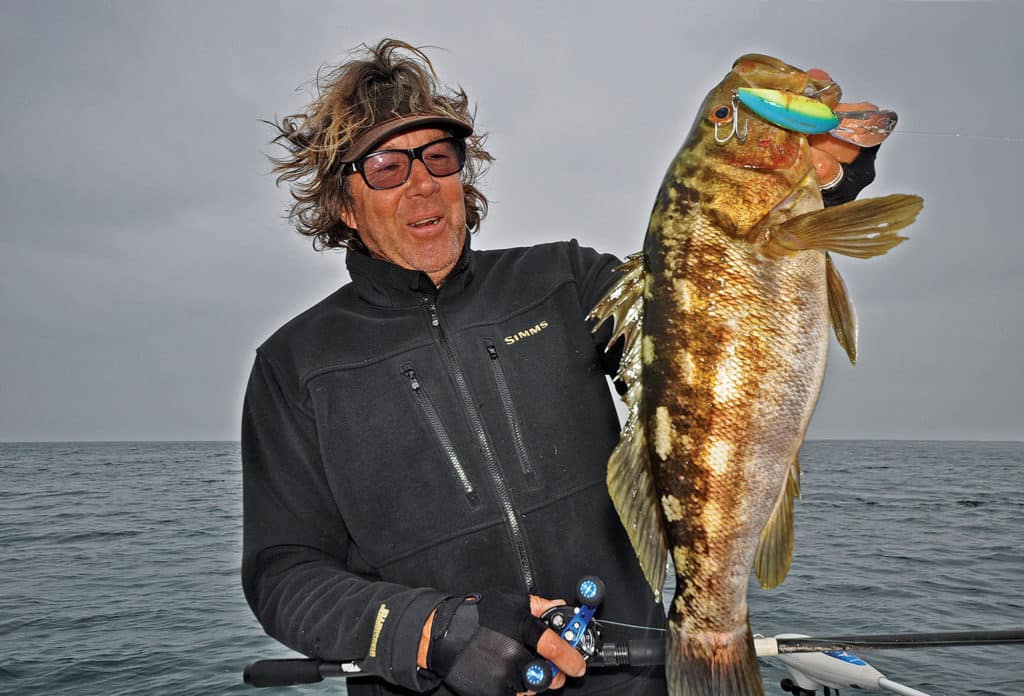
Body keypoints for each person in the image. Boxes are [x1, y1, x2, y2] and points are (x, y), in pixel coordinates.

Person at [241, 39, 879, 696]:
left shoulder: (563, 280)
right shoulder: (294, 368)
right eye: (385, 166)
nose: (423, 181)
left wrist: (812, 194)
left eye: (439, 155)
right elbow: (283, 574)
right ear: (343, 204)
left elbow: (706, 320)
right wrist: (434, 630)